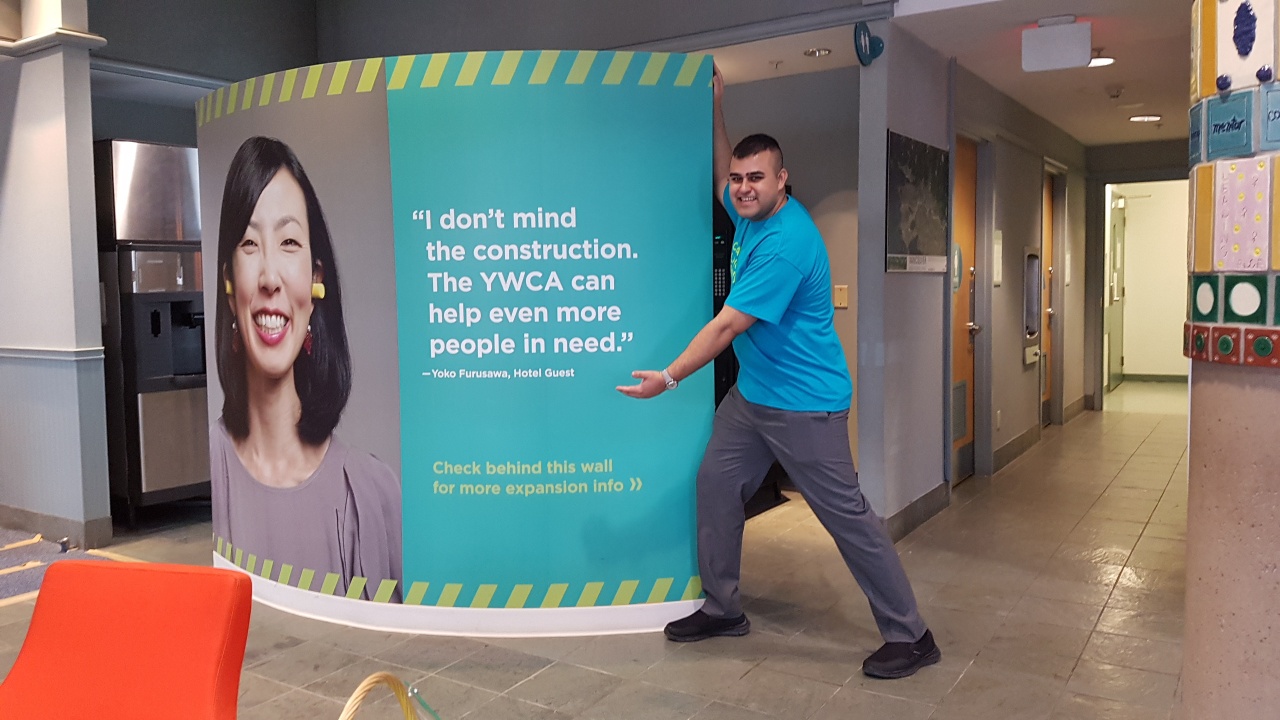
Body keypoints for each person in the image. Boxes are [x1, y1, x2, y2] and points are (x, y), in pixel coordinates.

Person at [617, 68, 939, 679]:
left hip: (806, 405)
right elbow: (721, 172)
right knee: (716, 485)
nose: (742, 187)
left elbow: (726, 328)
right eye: (740, 179)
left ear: (782, 180)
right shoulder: (748, 215)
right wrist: (717, 107)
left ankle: (912, 634)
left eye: (756, 178)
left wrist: (669, 377)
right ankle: (722, 608)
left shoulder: (787, 242)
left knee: (847, 519)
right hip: (753, 398)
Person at [211, 136, 402, 602]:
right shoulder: (208, 469)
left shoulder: (375, 494)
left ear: (316, 280)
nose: (270, 278)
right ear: (229, 283)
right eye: (249, 243)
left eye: (289, 242)